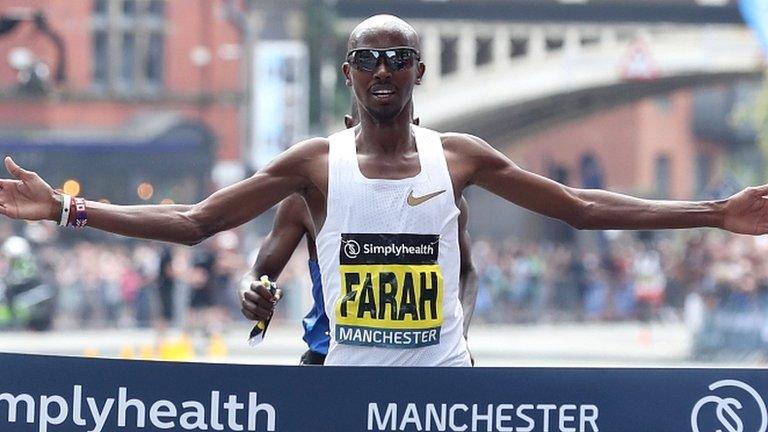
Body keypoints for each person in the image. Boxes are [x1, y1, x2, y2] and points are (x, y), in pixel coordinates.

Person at [2, 14, 768, 366]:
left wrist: (716, 213)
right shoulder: (315, 168)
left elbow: (584, 209)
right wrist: (68, 207)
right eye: (367, 59)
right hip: (338, 391)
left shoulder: (460, 157)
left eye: (397, 58)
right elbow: (200, 221)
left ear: (418, 73)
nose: (381, 72)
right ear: (348, 75)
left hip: (444, 389)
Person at [241, 108, 479, 365]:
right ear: (349, 126)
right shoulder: (307, 198)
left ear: (416, 128)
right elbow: (258, 274)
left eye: (400, 132)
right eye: (373, 131)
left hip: (420, 364)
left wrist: (460, 340)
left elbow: (467, 271)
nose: (387, 148)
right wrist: (252, 293)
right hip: (330, 359)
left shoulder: (443, 198)